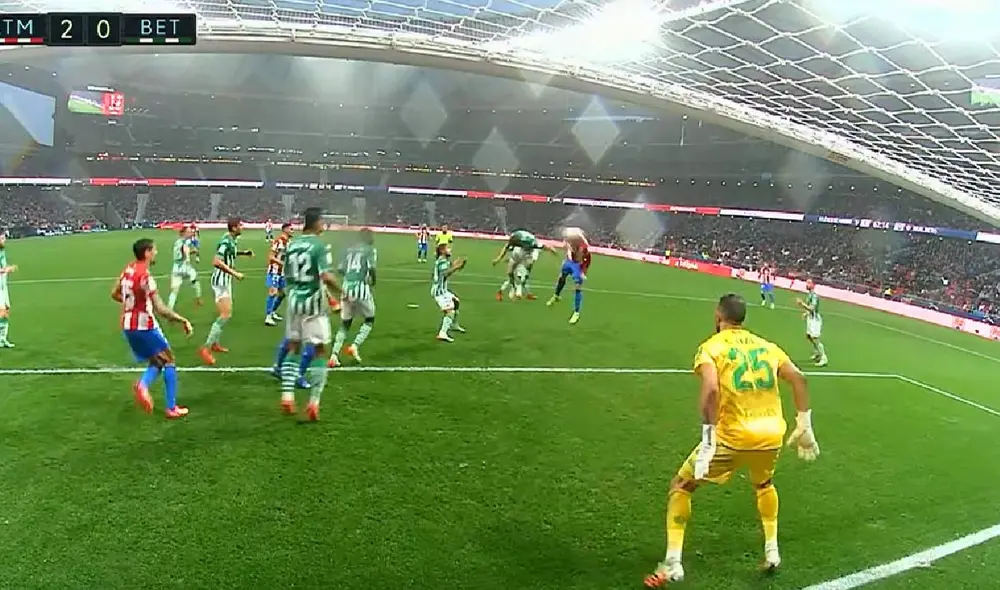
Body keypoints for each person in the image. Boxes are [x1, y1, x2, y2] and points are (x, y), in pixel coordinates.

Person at [644, 294, 819, 587]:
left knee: (682, 486)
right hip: (771, 433)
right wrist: (804, 424)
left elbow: (711, 390)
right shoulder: (767, 346)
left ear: (718, 316)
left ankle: (673, 562)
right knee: (764, 484)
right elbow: (799, 379)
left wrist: (708, 440)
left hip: (732, 436)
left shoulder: (711, 347)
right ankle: (772, 552)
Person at [113, 238, 194, 419]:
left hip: (127, 325)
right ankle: (171, 407)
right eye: (154, 250)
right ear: (147, 252)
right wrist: (182, 320)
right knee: (170, 359)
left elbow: (115, 293)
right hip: (144, 325)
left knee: (157, 361)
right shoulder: (146, 277)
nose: (156, 253)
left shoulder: (127, 270)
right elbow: (161, 309)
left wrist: (131, 304)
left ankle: (143, 384)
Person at [277, 207, 343, 420]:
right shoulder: (319, 246)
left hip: (294, 302)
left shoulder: (293, 244)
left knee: (293, 347)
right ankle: (314, 401)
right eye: (323, 221)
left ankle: (287, 395)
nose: (324, 225)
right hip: (313, 304)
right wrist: (343, 294)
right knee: (320, 351)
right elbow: (326, 276)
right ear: (316, 222)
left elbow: (286, 275)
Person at [198, 218, 254, 365]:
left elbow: (230, 254)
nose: (243, 227)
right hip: (221, 281)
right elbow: (216, 261)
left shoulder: (232, 240)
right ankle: (206, 348)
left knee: (224, 313)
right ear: (234, 228)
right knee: (226, 314)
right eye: (240, 225)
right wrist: (235, 273)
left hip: (224, 281)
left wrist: (243, 253)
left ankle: (214, 343)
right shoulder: (226, 241)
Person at [329, 229, 378, 366]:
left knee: (345, 324)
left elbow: (340, 269)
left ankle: (334, 355)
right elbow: (372, 268)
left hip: (346, 288)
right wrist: (373, 281)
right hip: (360, 288)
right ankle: (354, 346)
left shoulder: (349, 250)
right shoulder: (369, 250)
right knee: (369, 319)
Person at [492, 229, 556, 301]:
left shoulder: (529, 242)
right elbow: (506, 248)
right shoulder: (515, 239)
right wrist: (498, 259)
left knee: (522, 275)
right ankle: (514, 290)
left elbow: (542, 246)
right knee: (511, 273)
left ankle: (517, 291)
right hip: (520, 255)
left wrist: (550, 249)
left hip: (524, 255)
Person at [546, 228, 591, 324]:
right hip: (568, 263)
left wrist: (583, 272)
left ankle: (576, 312)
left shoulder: (583, 248)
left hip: (577, 265)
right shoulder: (568, 241)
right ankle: (556, 296)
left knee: (577, 287)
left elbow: (587, 260)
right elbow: (568, 250)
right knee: (561, 277)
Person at [431, 242, 467, 342]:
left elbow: (450, 268)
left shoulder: (444, 260)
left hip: (443, 290)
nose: (450, 250)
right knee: (449, 311)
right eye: (448, 248)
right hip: (439, 292)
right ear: (442, 251)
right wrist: (457, 267)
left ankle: (454, 324)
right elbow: (446, 273)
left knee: (456, 302)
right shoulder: (442, 261)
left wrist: (458, 265)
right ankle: (442, 333)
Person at [167, 225, 203, 310]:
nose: (191, 233)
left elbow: (180, 252)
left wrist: (191, 252)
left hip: (176, 267)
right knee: (195, 277)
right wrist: (188, 256)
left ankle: (169, 309)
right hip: (184, 266)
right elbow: (185, 249)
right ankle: (198, 298)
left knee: (174, 291)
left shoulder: (177, 242)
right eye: (189, 232)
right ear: (184, 233)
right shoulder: (184, 242)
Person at [265, 222, 293, 326]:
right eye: (291, 229)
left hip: (282, 273)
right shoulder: (278, 241)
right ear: (285, 229)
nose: (292, 231)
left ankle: (272, 312)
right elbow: (271, 257)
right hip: (274, 271)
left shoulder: (289, 242)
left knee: (283, 294)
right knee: (273, 292)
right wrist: (282, 263)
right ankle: (268, 316)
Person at [797, 280, 827, 366]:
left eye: (809, 283)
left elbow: (812, 308)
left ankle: (823, 357)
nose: (807, 284)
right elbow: (810, 309)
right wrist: (806, 314)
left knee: (815, 338)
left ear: (813, 285)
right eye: (807, 282)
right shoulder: (810, 295)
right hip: (811, 318)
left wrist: (801, 304)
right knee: (809, 336)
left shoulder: (814, 296)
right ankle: (818, 352)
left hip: (815, 320)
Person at [0, 232, 17, 348]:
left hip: (3, 286)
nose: (4, 240)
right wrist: (8, 269)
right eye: (2, 238)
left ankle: (2, 339)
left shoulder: (2, 251)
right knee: (1, 312)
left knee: (5, 311)